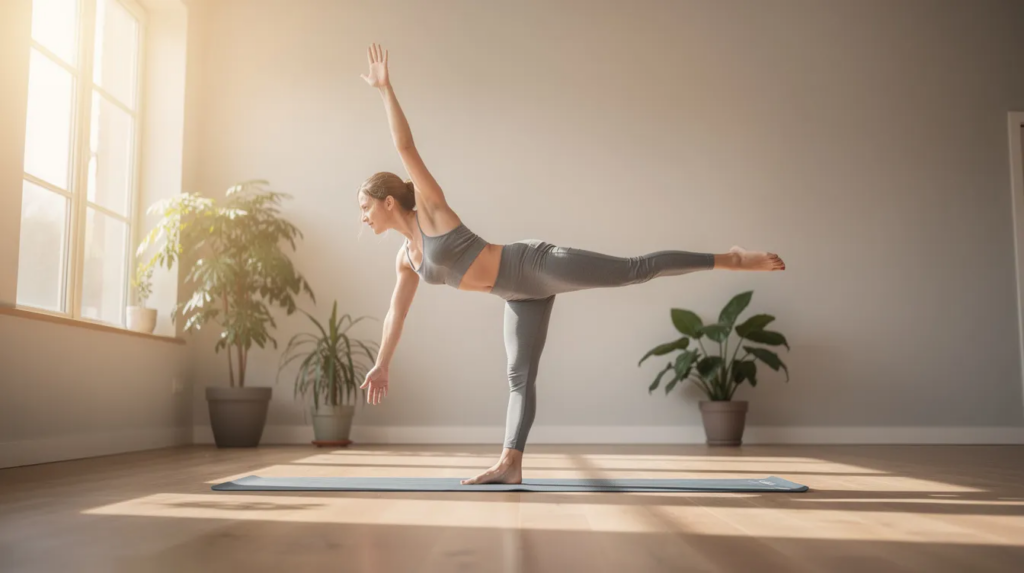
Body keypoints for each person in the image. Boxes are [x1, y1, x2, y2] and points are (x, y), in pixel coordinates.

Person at [356, 43, 786, 485]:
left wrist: (386, 90)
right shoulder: (406, 260)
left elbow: (405, 145)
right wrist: (383, 362)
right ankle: (510, 464)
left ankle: (730, 259)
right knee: (519, 377)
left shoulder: (431, 211)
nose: (362, 216)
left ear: (390, 202)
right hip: (516, 294)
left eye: (365, 206)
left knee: (634, 269)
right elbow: (397, 313)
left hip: (532, 264)